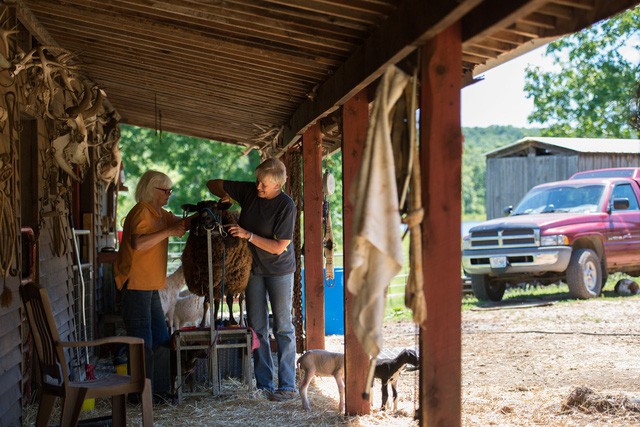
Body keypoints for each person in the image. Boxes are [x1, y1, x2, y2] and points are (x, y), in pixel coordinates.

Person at [207, 157, 298, 402]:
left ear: (278, 185)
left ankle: (288, 385)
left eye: (264, 185)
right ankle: (265, 384)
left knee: (282, 327)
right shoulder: (250, 190)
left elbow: (279, 246)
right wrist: (225, 195)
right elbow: (213, 183)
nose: (258, 187)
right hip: (253, 269)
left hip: (279, 270)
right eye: (258, 181)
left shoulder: (286, 206)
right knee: (257, 327)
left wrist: (248, 235)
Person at [114, 170, 187, 403]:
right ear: (151, 190)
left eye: (170, 190)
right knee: (142, 339)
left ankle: (160, 391)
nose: (169, 194)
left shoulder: (159, 214)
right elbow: (138, 242)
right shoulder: (141, 212)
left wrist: (207, 211)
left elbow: (181, 222)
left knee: (161, 336)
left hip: (150, 286)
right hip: (134, 285)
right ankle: (140, 395)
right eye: (165, 190)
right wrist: (169, 231)